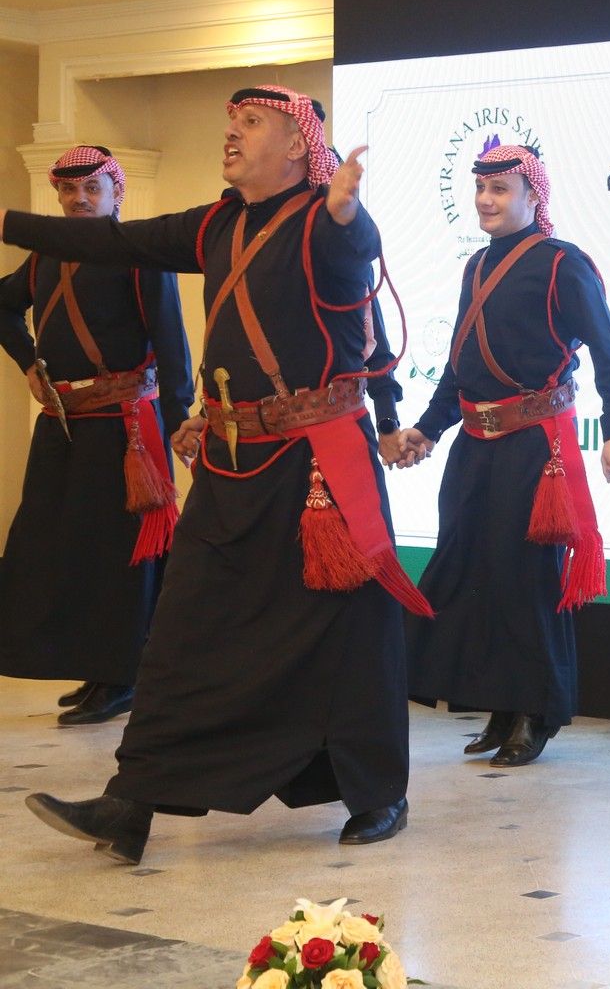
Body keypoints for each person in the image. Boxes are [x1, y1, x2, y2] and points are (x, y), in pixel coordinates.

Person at [2, 84, 428, 865]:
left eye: (252, 123)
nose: (232, 133)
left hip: (317, 468)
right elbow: (113, 242)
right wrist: (6, 222)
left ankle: (378, 794)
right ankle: (130, 804)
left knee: (350, 633)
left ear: (297, 147)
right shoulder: (215, 224)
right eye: (231, 122)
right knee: (183, 629)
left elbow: (352, 250)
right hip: (232, 463)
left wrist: (348, 212)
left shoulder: (323, 222)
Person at [394, 144, 610, 767]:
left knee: (526, 580)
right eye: (481, 188)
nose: (485, 199)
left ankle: (537, 712)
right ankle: (501, 706)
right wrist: (427, 429)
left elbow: (609, 350)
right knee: (474, 573)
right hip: (475, 446)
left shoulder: (562, 263)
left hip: (537, 448)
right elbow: (460, 363)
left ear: (534, 196)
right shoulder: (476, 266)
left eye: (500, 189)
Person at [0, 146, 193, 726]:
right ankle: (93, 667)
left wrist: (180, 422)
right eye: (69, 190)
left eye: (92, 188)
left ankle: (123, 676)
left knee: (118, 554)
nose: (79, 199)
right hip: (63, 426)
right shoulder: (43, 257)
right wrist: (28, 362)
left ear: (116, 193)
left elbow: (173, 342)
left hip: (125, 430)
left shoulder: (140, 255)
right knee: (61, 547)